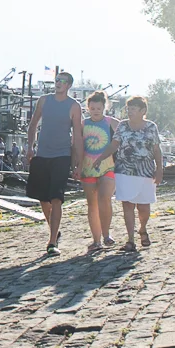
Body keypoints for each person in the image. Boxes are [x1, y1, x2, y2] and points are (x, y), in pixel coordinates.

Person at [26, 70, 84, 257]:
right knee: (44, 199)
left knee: (56, 197)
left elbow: (77, 135)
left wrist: (77, 163)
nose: (58, 83)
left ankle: (52, 242)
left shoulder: (74, 106)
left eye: (62, 81)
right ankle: (55, 230)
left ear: (68, 85)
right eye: (57, 80)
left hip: (62, 155)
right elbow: (33, 124)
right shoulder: (44, 100)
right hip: (42, 154)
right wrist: (29, 147)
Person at [114, 95, 163, 251]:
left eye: (133, 109)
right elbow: (114, 144)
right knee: (127, 204)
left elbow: (156, 149)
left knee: (143, 207)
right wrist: (100, 158)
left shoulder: (151, 127)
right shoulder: (122, 126)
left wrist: (159, 168)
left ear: (143, 111)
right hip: (124, 169)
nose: (130, 112)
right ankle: (130, 240)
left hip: (146, 170)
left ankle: (142, 228)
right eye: (128, 109)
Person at [80, 90, 118, 252]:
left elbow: (122, 142)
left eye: (99, 108)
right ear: (88, 108)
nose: (96, 111)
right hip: (88, 167)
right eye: (93, 108)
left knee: (104, 198)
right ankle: (96, 241)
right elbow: (77, 145)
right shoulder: (83, 124)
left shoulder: (112, 123)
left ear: (104, 107)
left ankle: (106, 234)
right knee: (92, 204)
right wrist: (77, 166)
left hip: (108, 166)